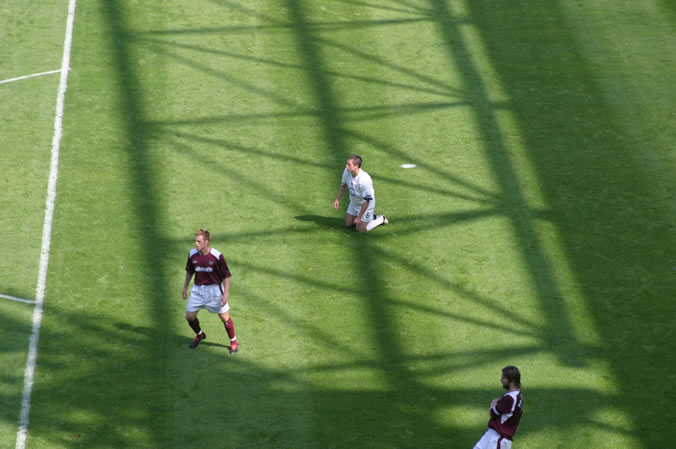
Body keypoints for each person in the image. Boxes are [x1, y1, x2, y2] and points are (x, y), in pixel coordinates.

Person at [182, 228, 239, 354]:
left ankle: (234, 341)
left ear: (206, 242)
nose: (196, 244)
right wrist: (185, 287)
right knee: (189, 316)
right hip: (198, 290)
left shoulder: (217, 256)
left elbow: (226, 276)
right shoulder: (192, 254)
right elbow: (189, 272)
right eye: (195, 241)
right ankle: (200, 334)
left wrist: (226, 295)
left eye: (198, 241)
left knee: (224, 317)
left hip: (214, 291)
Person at [333, 155, 388, 232]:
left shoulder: (364, 179)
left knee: (360, 229)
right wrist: (337, 199)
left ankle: (381, 219)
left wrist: (359, 217)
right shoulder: (346, 171)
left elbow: (367, 201)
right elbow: (343, 185)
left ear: (356, 166)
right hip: (354, 203)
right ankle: (370, 217)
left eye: (349, 165)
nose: (346, 166)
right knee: (348, 225)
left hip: (366, 204)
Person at [473, 366, 523, 449]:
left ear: (511, 380)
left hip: (497, 439)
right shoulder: (518, 395)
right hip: (494, 436)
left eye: (504, 378)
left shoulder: (510, 398)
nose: (501, 380)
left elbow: (492, 413)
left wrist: (493, 403)